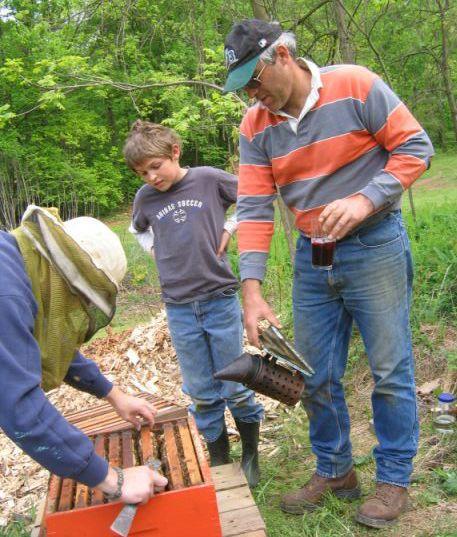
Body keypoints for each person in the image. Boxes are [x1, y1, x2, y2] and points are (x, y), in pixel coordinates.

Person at [223, 19, 434, 528]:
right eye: (244, 88)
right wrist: (251, 292)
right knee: (313, 373)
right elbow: (253, 208)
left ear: (282, 57)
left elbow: (415, 148)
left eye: (255, 80)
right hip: (312, 257)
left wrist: (366, 199)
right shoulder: (256, 126)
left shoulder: (355, 84)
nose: (252, 95)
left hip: (375, 244)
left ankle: (394, 480)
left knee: (389, 370)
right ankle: (336, 470)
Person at [124, 121, 264, 487]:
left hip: (219, 298)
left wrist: (231, 227)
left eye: (156, 166)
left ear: (174, 152)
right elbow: (137, 229)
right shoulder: (145, 199)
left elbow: (254, 195)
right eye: (142, 172)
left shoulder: (206, 179)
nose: (152, 177)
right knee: (201, 391)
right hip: (180, 306)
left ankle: (251, 453)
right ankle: (219, 458)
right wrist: (152, 247)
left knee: (234, 382)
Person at [0, 205, 167, 505]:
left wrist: (114, 394)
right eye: (79, 296)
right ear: (65, 273)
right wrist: (112, 479)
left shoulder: (18, 267)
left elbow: (50, 345)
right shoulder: (6, 295)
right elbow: (18, 405)